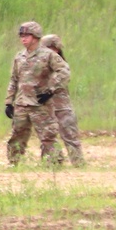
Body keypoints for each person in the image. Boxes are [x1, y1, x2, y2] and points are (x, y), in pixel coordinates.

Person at [4, 21, 68, 166]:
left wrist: (51, 90)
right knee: (17, 136)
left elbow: (64, 71)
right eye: (21, 35)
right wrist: (9, 102)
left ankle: (53, 164)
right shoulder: (19, 57)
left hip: (41, 104)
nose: (23, 39)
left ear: (36, 37)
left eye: (27, 35)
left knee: (48, 136)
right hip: (22, 104)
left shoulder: (48, 55)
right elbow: (14, 79)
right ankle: (14, 163)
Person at [40, 34, 85, 167]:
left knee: (70, 135)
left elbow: (63, 77)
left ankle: (78, 163)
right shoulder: (42, 63)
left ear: (55, 49)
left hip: (62, 106)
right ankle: (52, 163)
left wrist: (49, 90)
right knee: (47, 136)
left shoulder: (59, 64)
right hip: (47, 106)